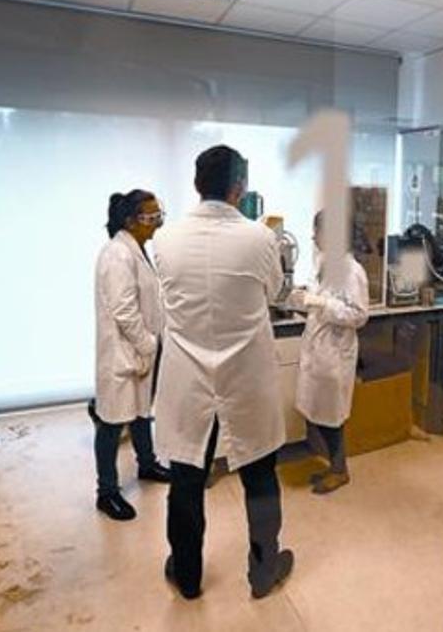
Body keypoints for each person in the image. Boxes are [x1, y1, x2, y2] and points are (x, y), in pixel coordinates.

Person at [150, 145, 293, 601]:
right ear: (240, 187)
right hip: (245, 378)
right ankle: (264, 570)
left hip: (188, 379)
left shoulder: (164, 239)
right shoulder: (260, 238)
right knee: (259, 475)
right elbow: (275, 290)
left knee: (187, 478)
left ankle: (188, 575)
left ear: (197, 184)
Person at [92, 189, 172, 521]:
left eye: (158, 214)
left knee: (141, 413)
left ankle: (147, 464)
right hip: (124, 354)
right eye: (150, 216)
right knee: (111, 423)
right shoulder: (116, 255)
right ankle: (106, 492)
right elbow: (124, 311)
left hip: (140, 350)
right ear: (129, 221)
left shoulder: (137, 248)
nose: (157, 221)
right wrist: (148, 345)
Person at [289, 211, 370, 494]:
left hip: (334, 353)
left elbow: (359, 315)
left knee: (331, 416)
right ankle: (334, 465)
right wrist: (304, 295)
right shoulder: (324, 262)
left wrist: (321, 303)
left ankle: (340, 470)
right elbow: (320, 294)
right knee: (316, 412)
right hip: (319, 348)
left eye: (318, 232)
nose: (313, 237)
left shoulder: (352, 270)